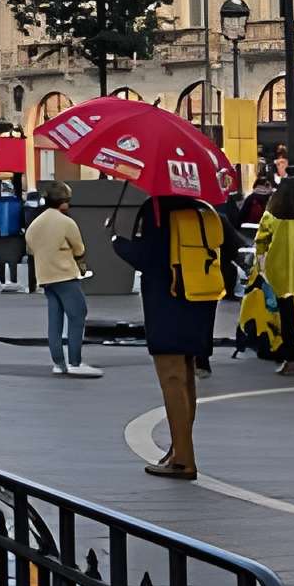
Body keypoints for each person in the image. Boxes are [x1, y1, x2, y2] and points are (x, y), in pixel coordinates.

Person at [114, 196, 225, 479]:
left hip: (167, 301)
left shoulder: (157, 209)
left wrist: (116, 240)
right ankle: (179, 448)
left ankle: (184, 459)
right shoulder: (203, 208)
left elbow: (148, 258)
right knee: (186, 374)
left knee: (171, 378)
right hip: (200, 298)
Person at [244, 177, 294, 377]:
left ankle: (292, 360)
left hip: (279, 276)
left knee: (286, 319)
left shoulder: (269, 219)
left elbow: (260, 246)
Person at [25, 182, 98, 377]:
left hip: (46, 276)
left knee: (54, 320)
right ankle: (75, 361)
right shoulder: (66, 222)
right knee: (77, 315)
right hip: (65, 274)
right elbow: (79, 248)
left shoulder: (36, 223)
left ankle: (58, 363)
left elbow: (31, 247)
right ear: (63, 202)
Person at [0, 178, 26, 288]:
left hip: (0, 235)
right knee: (13, 260)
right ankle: (13, 281)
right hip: (14, 234)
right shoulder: (18, 203)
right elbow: (22, 219)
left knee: (1, 259)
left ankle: (2, 281)